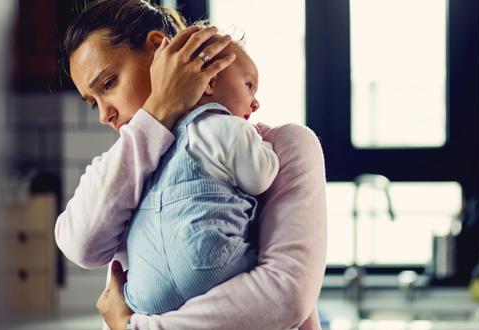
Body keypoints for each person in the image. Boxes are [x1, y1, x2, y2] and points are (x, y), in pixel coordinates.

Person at [54, 0, 327, 329]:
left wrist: (134, 327)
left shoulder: (280, 146)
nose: (103, 114)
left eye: (109, 84)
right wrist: (157, 114)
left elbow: (285, 297)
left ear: (158, 48)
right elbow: (82, 246)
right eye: (92, 102)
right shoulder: (118, 165)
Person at [123, 37, 279, 314]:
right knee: (275, 276)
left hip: (146, 289)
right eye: (249, 85)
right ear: (209, 83)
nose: (255, 103)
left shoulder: (162, 139)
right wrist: (263, 144)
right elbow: (260, 178)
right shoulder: (229, 128)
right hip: (210, 267)